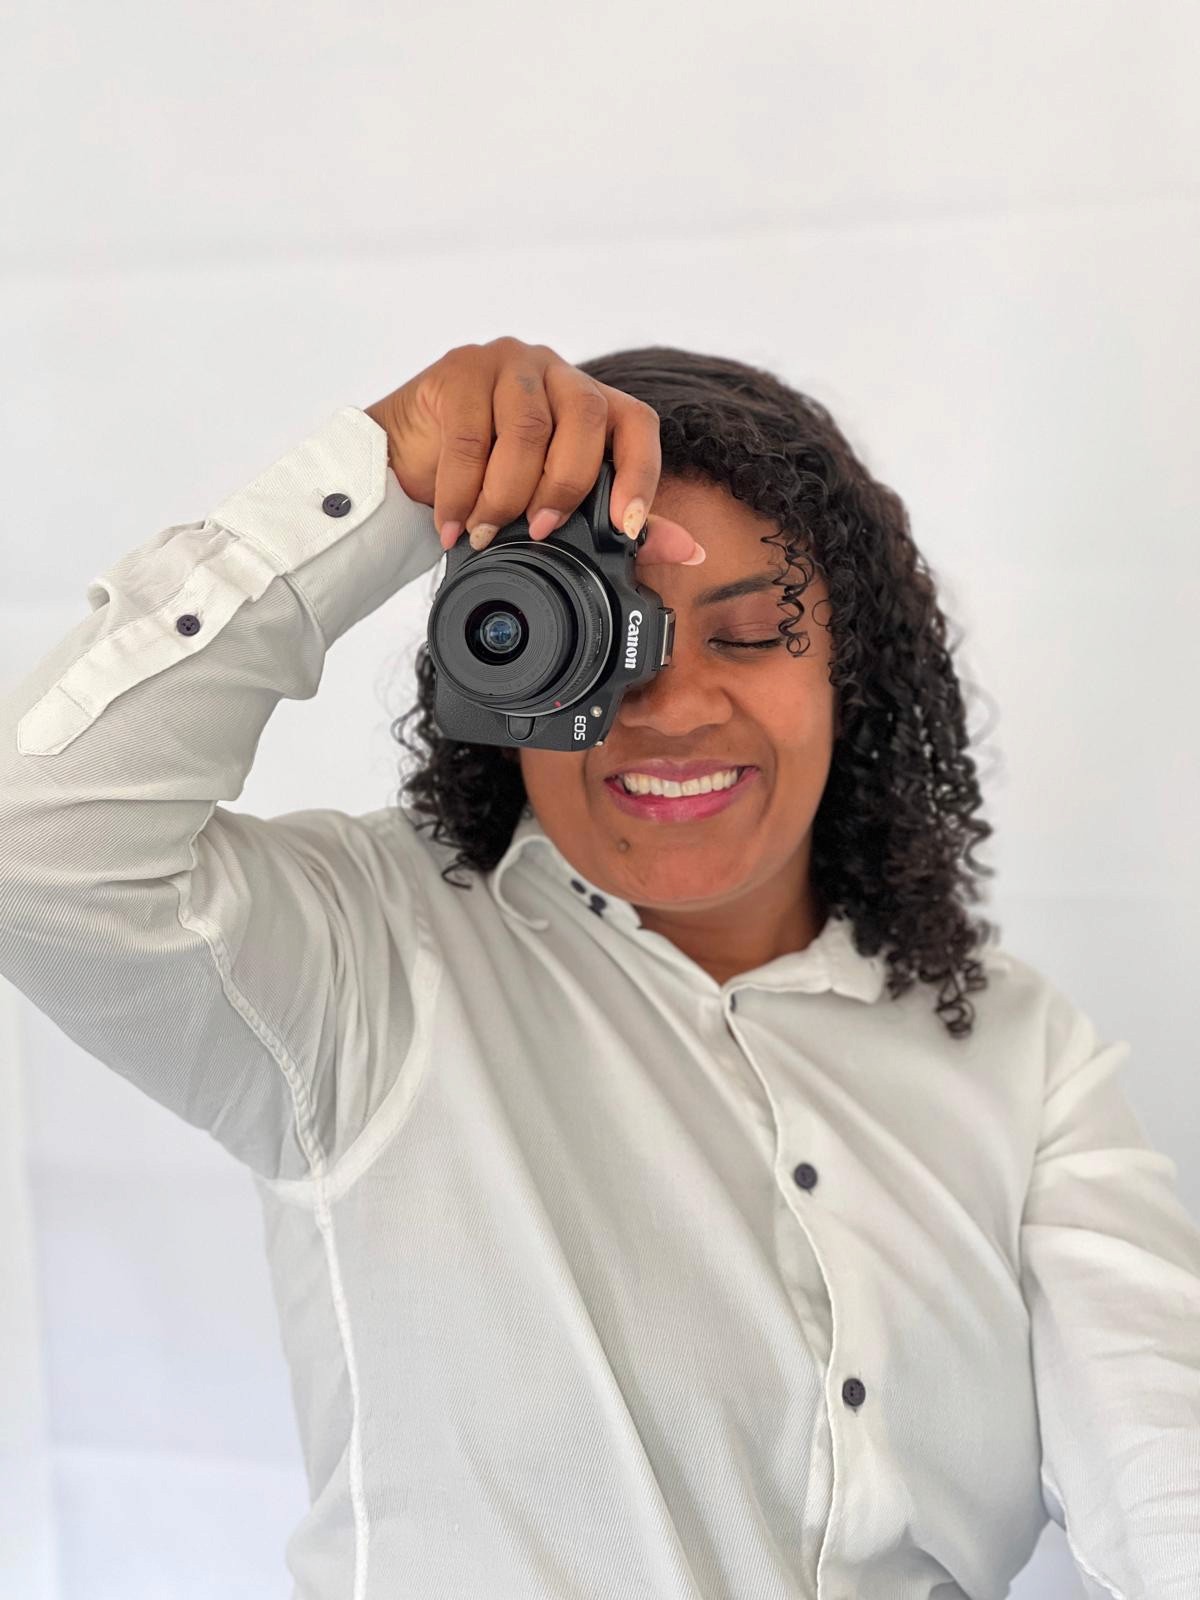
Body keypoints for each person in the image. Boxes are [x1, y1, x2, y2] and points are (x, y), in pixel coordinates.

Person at [0, 335, 1196, 1599]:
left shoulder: (1016, 1048)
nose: (673, 706)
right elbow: (40, 844)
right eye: (602, 642)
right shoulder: (366, 961)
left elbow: (1161, 1435)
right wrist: (398, 477)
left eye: (746, 639)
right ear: (497, 669)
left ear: (856, 669)